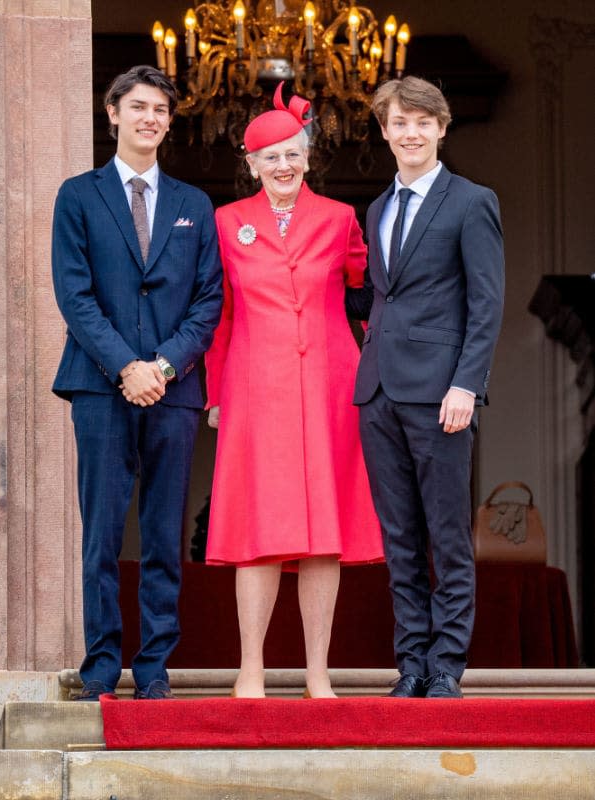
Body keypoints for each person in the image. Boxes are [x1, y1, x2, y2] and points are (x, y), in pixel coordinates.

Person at [205, 84, 383, 699]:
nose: (283, 165)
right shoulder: (226, 223)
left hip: (331, 386)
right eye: (270, 156)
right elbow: (219, 314)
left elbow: (370, 295)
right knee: (258, 529)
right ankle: (250, 670)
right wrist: (214, 394)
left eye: (292, 153)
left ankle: (317, 673)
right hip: (255, 386)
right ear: (250, 164)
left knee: (321, 533)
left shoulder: (340, 220)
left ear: (308, 157)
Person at [51, 65, 222, 701]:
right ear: (113, 113)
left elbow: (209, 300)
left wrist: (165, 367)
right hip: (100, 386)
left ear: (169, 124)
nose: (150, 118)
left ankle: (153, 665)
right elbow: (75, 293)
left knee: (162, 531)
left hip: (173, 391)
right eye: (139, 107)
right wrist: (127, 366)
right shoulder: (78, 196)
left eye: (161, 111)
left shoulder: (192, 205)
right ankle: (101, 663)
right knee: (100, 529)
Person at [350, 76, 504, 698]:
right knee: (400, 540)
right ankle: (410, 663)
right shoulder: (378, 208)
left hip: (443, 396)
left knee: (447, 536)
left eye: (422, 122)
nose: (410, 133)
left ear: (442, 128)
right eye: (398, 122)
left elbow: (486, 302)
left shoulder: (472, 201)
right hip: (379, 393)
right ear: (384, 131)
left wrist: (467, 384)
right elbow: (378, 295)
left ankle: (446, 667)